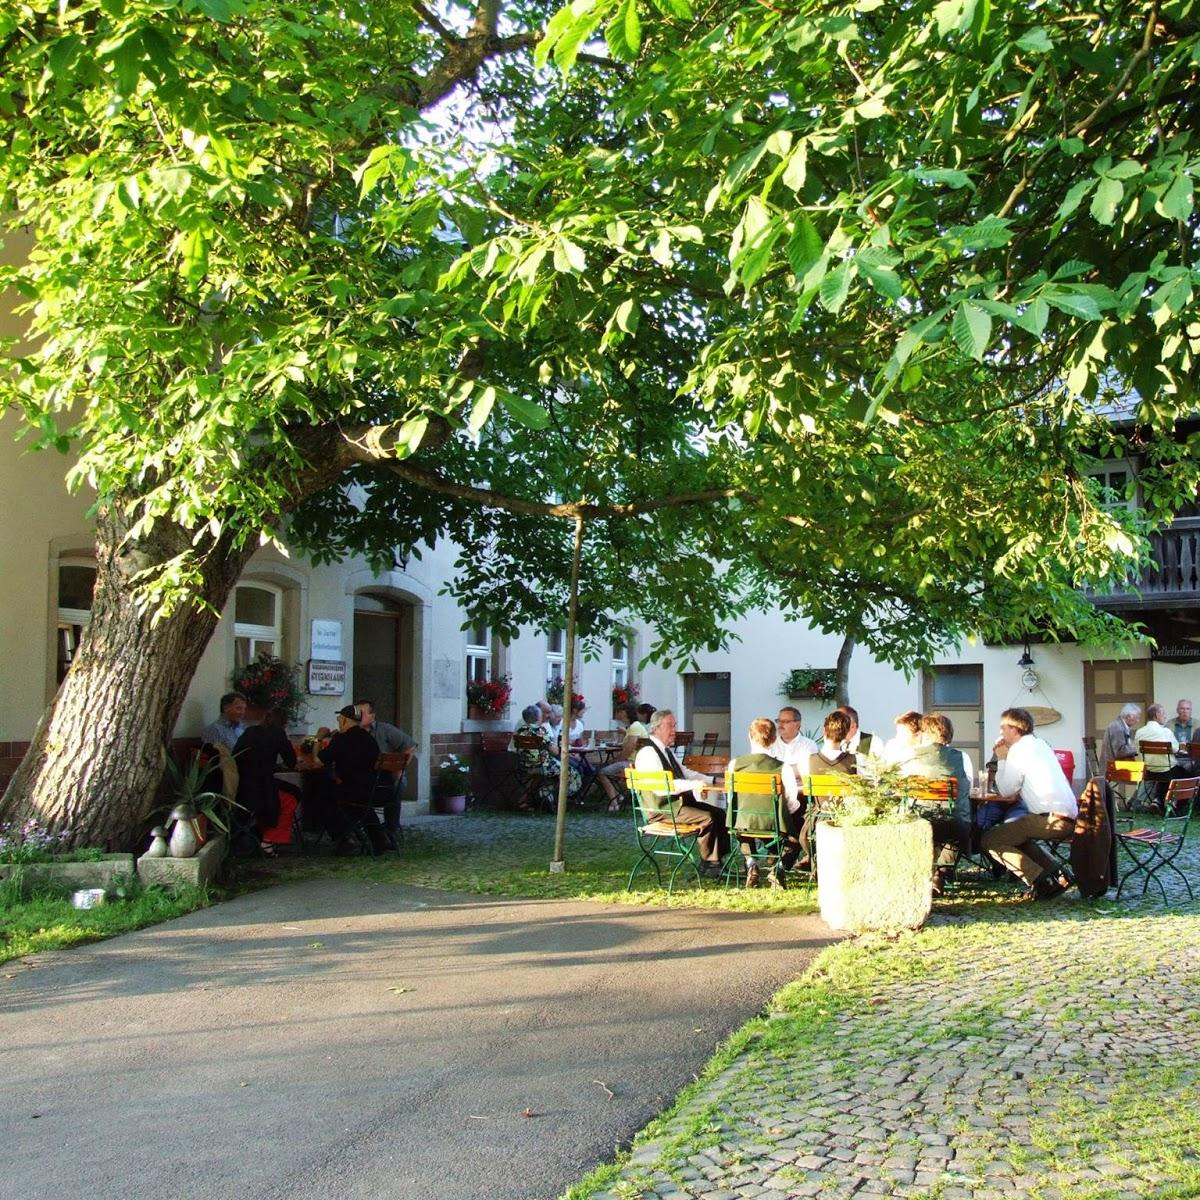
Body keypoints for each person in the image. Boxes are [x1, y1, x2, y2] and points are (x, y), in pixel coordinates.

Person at [982, 707, 1077, 898]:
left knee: (990, 840)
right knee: (1015, 835)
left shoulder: (1019, 750)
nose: (1000, 732)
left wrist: (1002, 758)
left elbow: (1007, 790)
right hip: (1066, 817)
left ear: (1015, 729)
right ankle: (1058, 873)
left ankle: (1040, 880)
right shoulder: (1040, 744)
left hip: (1049, 820)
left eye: (1003, 728)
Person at [633, 709, 730, 871]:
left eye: (674, 726)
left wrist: (713, 780)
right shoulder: (648, 753)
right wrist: (694, 785)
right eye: (670, 726)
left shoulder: (665, 751)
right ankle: (710, 864)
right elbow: (662, 787)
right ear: (656, 728)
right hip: (661, 809)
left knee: (720, 813)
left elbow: (686, 773)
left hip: (676, 806)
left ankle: (718, 860)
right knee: (708, 817)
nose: (674, 731)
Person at [900, 713, 972, 892]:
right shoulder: (962, 757)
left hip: (920, 820)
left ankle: (925, 871)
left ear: (924, 733)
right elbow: (967, 788)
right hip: (952, 822)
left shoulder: (910, 758)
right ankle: (941, 873)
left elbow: (904, 790)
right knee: (963, 829)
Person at [313, 704, 386, 853]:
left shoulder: (342, 738)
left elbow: (317, 761)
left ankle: (342, 838)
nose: (338, 722)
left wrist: (318, 739)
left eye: (340, 719)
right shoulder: (369, 738)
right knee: (361, 807)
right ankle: (378, 840)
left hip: (351, 791)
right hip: (373, 790)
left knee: (321, 796)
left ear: (346, 721)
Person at [727, 717, 791, 887]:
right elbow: (791, 801)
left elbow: (730, 798)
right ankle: (777, 866)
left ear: (749, 736)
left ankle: (750, 862)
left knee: (742, 820)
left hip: (744, 822)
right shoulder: (783, 768)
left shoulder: (735, 765)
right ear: (774, 739)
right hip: (773, 823)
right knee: (794, 829)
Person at [232, 706, 297, 855]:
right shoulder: (278, 734)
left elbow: (236, 755)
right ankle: (269, 839)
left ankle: (262, 835)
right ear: (284, 723)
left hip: (241, 786)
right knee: (292, 795)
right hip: (263, 788)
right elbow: (291, 761)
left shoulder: (249, 732)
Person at [355, 698, 415, 837]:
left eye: (362, 713)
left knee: (396, 787)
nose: (358, 717)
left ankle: (390, 830)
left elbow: (410, 746)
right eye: (357, 713)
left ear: (372, 716)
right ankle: (370, 831)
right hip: (365, 778)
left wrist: (399, 768)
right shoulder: (352, 732)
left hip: (386, 777)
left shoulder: (384, 730)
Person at [597, 703, 648, 811]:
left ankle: (614, 803)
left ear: (625, 713)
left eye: (619, 712)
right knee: (605, 769)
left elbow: (628, 750)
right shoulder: (633, 727)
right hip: (635, 761)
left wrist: (614, 760)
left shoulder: (634, 727)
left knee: (602, 772)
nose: (617, 715)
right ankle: (618, 796)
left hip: (633, 763)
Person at [1134, 702, 1181, 805]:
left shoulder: (1139, 732)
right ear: (1157, 715)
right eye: (1163, 713)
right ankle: (1174, 806)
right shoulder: (1165, 732)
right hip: (1166, 771)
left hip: (1148, 771)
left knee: (1164, 773)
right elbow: (1176, 749)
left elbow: (1137, 750)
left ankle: (1157, 800)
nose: (1165, 716)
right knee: (1185, 774)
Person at [1098, 703, 1141, 773]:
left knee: (1144, 771)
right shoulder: (1118, 728)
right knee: (1145, 772)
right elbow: (1120, 751)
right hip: (1112, 767)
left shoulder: (1119, 724)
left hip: (1113, 764)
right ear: (1129, 716)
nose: (1138, 720)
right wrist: (1137, 748)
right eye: (1137, 717)